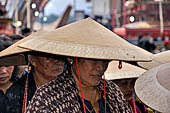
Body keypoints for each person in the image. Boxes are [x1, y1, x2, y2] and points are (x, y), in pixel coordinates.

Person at [11, 18, 152, 113]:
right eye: (94, 61)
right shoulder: (48, 97)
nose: (100, 67)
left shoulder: (112, 92)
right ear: (73, 59)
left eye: (105, 61)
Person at [0, 30, 67, 113]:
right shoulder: (16, 94)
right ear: (33, 60)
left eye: (61, 57)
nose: (58, 62)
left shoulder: (68, 86)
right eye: (49, 58)